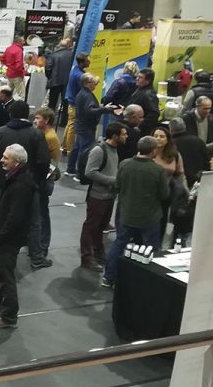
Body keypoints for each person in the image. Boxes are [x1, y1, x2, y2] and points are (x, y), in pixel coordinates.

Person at [102, 135, 170, 288]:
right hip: (149, 217)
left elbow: (117, 186)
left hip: (127, 214)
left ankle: (108, 277)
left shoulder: (125, 164)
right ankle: (147, 280)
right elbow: (164, 194)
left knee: (119, 244)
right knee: (150, 248)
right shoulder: (157, 170)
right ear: (153, 151)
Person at [0, 144, 35, 329]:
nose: (1, 160)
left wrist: (1, 235)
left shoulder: (21, 185)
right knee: (0, 269)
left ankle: (9, 315)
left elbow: (15, 216)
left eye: (6, 158)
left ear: (16, 162)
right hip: (7, 234)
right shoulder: (15, 178)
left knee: (7, 273)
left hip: (10, 237)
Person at [79, 121, 126, 270]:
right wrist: (113, 180)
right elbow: (90, 172)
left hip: (109, 196)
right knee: (91, 226)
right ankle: (87, 257)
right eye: (124, 134)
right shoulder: (99, 150)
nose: (127, 136)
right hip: (97, 196)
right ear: (115, 136)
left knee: (100, 227)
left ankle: (98, 253)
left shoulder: (115, 149)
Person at [0, 99, 51, 189]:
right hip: (29, 181)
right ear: (27, 114)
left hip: (3, 179)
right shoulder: (37, 134)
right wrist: (40, 180)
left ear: (10, 114)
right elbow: (44, 160)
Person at [67, 73, 121, 176]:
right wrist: (106, 109)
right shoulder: (87, 95)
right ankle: (81, 174)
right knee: (86, 150)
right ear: (88, 83)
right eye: (93, 82)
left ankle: (70, 169)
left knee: (77, 147)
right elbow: (90, 111)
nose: (95, 84)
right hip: (86, 126)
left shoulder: (82, 93)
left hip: (81, 125)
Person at [31, 107, 61, 267]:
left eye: (37, 118)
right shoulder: (44, 135)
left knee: (42, 213)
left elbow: (53, 163)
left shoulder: (49, 137)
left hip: (44, 180)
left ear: (46, 120)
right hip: (42, 178)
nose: (35, 121)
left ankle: (43, 245)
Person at [152, 124, 185, 239]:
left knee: (162, 220)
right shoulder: (147, 152)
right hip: (149, 193)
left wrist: (183, 191)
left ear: (167, 139)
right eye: (155, 136)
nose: (158, 138)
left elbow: (180, 173)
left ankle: (157, 246)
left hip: (166, 193)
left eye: (161, 136)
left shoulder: (174, 154)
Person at [63, 52, 90, 158]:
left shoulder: (75, 69)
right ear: (82, 62)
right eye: (87, 60)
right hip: (75, 104)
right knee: (73, 127)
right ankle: (70, 150)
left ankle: (65, 146)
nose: (89, 62)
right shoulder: (80, 75)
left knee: (69, 125)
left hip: (71, 102)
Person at [170, 117, 208, 189]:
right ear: (185, 127)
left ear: (171, 130)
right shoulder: (198, 141)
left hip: (180, 184)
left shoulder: (171, 145)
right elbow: (206, 162)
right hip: (200, 182)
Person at [44, 37, 73, 119]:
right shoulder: (72, 55)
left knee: (52, 103)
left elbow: (48, 69)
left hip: (55, 81)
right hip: (67, 81)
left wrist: (50, 77)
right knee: (66, 102)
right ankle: (64, 121)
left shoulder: (53, 55)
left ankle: (50, 119)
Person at [126, 68, 160, 137]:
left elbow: (154, 113)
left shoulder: (149, 94)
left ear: (148, 81)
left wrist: (140, 126)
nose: (137, 79)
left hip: (141, 132)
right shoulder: (139, 90)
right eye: (137, 76)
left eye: (140, 77)